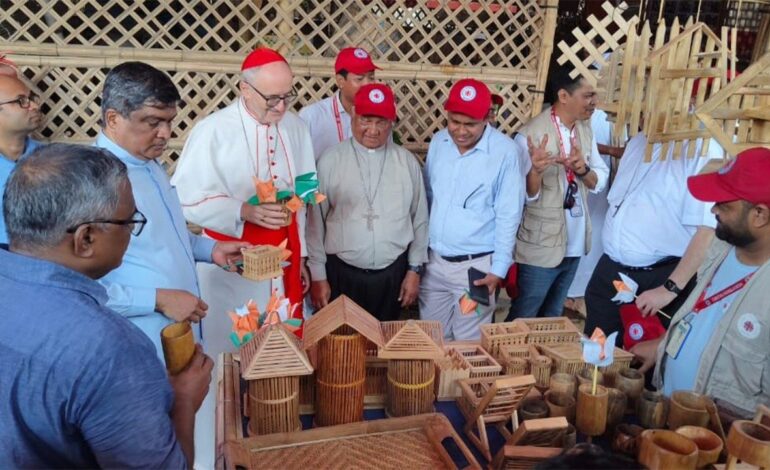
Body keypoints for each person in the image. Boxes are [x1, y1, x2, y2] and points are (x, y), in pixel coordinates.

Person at [0, 144, 212, 468]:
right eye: (129, 222)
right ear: (85, 239)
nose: (130, 232)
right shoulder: (109, 349)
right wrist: (183, 400)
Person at [94, 61, 246, 469]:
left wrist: (210, 250)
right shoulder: (94, 180)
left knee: (182, 440)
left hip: (179, 340)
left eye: (169, 122)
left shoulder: (152, 167)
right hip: (139, 350)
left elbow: (171, 236)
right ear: (113, 118)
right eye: (152, 122)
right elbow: (77, 288)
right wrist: (157, 298)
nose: (165, 134)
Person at [171, 47, 315, 345]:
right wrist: (242, 211)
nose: (281, 107)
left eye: (288, 95)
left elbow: (306, 192)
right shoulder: (212, 131)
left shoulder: (298, 127)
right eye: (272, 98)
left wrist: (301, 255)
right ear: (245, 90)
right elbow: (184, 200)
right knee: (232, 344)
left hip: (286, 255)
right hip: (231, 260)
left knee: (281, 343)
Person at [633, 147, 770, 419]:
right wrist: (663, 348)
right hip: (667, 417)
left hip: (714, 445)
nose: (713, 209)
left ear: (760, 215)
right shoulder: (720, 247)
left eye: (725, 204)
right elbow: (704, 321)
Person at [584, 133, 720, 347]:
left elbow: (707, 230)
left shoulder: (702, 146)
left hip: (661, 278)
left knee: (639, 367)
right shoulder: (638, 141)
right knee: (595, 356)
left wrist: (669, 289)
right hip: (611, 269)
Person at [307, 83, 428, 321]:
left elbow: (420, 220)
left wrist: (414, 271)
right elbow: (314, 224)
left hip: (392, 274)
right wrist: (318, 275)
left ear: (391, 123)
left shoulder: (407, 163)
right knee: (342, 348)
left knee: (383, 347)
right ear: (353, 115)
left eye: (381, 122)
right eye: (366, 120)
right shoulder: (329, 161)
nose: (373, 130)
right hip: (341, 273)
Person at [420, 78, 525, 340]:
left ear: (486, 118)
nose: (460, 131)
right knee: (432, 339)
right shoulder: (438, 143)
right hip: (434, 264)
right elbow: (429, 196)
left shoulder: (505, 152)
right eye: (455, 121)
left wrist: (498, 270)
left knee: (468, 345)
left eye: (470, 124)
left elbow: (508, 214)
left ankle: (461, 383)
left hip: (476, 272)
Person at [506, 67, 609, 320]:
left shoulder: (584, 129)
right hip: (539, 247)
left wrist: (582, 169)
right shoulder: (528, 136)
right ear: (564, 96)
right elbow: (522, 198)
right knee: (524, 317)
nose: (594, 102)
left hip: (574, 245)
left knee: (552, 317)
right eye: (587, 95)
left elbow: (599, 178)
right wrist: (536, 173)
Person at [299, 47, 378, 160]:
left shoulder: (379, 116)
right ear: (340, 81)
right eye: (359, 79)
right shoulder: (312, 116)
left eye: (371, 77)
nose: (368, 84)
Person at [0, 74, 43, 247]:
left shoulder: (51, 159)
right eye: (21, 101)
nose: (34, 106)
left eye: (32, 99)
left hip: (41, 261)